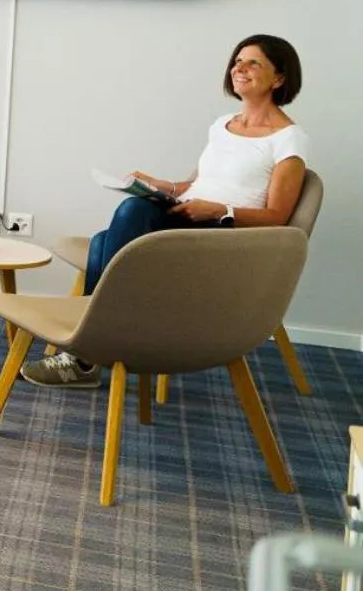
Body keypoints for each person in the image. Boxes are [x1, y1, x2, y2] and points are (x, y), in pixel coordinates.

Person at [23, 34, 310, 388]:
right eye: (237, 60)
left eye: (253, 63)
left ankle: (84, 355)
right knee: (128, 212)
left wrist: (219, 210)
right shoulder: (223, 125)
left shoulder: (288, 139)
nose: (240, 68)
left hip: (228, 237)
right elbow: (196, 185)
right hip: (192, 217)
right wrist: (160, 186)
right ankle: (91, 351)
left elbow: (278, 217)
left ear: (279, 78)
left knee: (105, 241)